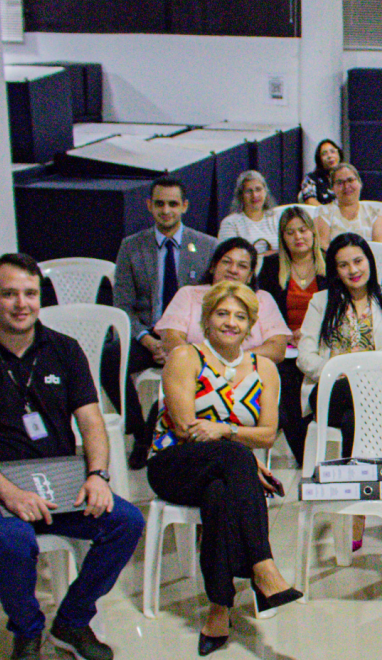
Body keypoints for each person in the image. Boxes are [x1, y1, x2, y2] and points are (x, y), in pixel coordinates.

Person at [0, 254, 144, 660]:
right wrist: (8, 494)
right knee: (13, 540)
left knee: (125, 521)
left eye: (30, 293)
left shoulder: (64, 350)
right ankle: (27, 633)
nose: (21, 304)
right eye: (9, 293)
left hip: (59, 479)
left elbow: (91, 421)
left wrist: (97, 475)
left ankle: (71, 620)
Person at [147, 281, 301, 656]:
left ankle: (219, 608)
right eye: (222, 314)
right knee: (236, 459)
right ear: (207, 319)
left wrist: (227, 431)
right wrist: (241, 451)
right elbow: (187, 429)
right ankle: (263, 568)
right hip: (174, 463)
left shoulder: (263, 367)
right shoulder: (185, 356)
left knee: (220, 493)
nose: (230, 322)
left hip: (221, 471)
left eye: (240, 316)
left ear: (251, 325)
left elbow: (268, 435)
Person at [297, 233, 382, 549]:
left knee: (353, 420)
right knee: (352, 399)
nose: (353, 270)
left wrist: (371, 379)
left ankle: (356, 515)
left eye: (358, 261)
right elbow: (305, 354)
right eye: (343, 264)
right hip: (329, 393)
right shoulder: (321, 302)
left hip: (380, 394)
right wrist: (337, 374)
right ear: (335, 269)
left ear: (370, 263)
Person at [105, 175, 217, 469]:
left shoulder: (206, 246)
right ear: (149, 206)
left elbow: (212, 304)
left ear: (185, 206)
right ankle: (140, 430)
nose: (166, 210)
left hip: (189, 339)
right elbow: (122, 304)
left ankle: (169, 432)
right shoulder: (131, 247)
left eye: (172, 204)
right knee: (110, 357)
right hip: (146, 335)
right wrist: (147, 339)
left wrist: (175, 344)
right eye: (159, 204)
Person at [257, 206, 328, 466]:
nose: (298, 237)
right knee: (287, 387)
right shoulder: (271, 266)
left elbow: (336, 309)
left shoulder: (329, 262)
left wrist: (310, 334)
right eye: (290, 232)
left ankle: (319, 452)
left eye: (303, 230)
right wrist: (287, 333)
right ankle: (303, 457)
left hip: (322, 344)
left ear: (312, 232)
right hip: (285, 345)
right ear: (282, 237)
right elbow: (264, 308)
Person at [156, 237, 291, 361]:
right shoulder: (188, 294)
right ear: (213, 266)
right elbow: (171, 338)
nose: (233, 270)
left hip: (247, 373)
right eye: (227, 262)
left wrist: (233, 362)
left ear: (250, 275)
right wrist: (202, 363)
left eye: (242, 266)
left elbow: (277, 349)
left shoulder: (263, 299)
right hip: (195, 371)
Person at [315, 163, 382, 247]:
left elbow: (381, 247)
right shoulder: (323, 212)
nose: (346, 186)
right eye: (340, 183)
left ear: (360, 183)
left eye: (350, 180)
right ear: (332, 188)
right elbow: (321, 246)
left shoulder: (375, 212)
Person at [217, 170, 279, 253]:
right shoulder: (230, 223)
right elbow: (227, 255)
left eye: (258, 189)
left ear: (265, 192)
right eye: (249, 191)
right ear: (241, 195)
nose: (254, 195)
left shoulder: (277, 218)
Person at [299, 139, 343, 206]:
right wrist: (327, 214)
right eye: (324, 154)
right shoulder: (311, 178)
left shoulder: (346, 177)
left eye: (332, 152)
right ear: (319, 159)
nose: (330, 156)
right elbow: (310, 201)